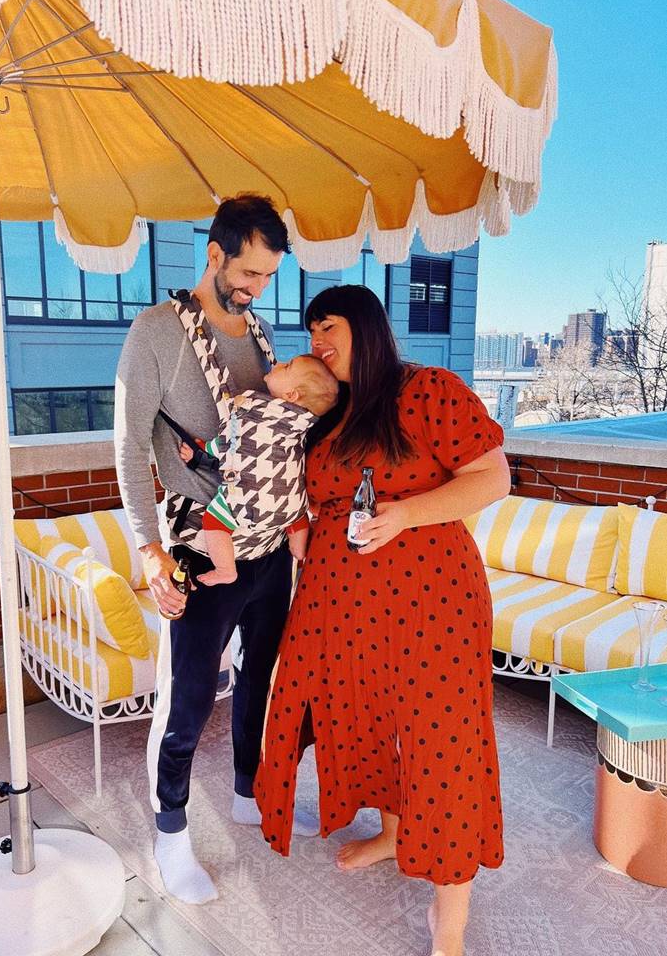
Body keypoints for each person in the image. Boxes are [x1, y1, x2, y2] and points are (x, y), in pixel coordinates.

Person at [254, 285, 511, 956]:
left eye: (328, 326)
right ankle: (394, 832)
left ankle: (447, 913)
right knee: (367, 724)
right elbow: (299, 494)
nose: (316, 340)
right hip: (340, 604)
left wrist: (406, 513)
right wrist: (297, 526)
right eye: (310, 331)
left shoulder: (429, 389)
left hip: (433, 602)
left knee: (442, 744)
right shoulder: (326, 414)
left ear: (364, 327)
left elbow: (491, 477)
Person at [114, 195, 318, 907]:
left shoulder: (259, 337)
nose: (255, 288)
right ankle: (169, 835)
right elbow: (127, 450)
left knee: (260, 680)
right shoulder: (155, 333)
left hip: (266, 550)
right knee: (188, 700)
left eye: (266, 277)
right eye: (248, 272)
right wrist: (148, 551)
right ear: (213, 252)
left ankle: (244, 790)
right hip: (202, 548)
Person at [179, 354, 339, 585]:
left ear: (291, 395)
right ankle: (299, 549)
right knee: (294, 510)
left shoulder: (253, 412)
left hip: (250, 501)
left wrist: (202, 449)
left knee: (214, 521)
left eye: (287, 366)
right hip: (290, 504)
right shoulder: (301, 424)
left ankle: (225, 569)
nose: (279, 363)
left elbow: (231, 444)